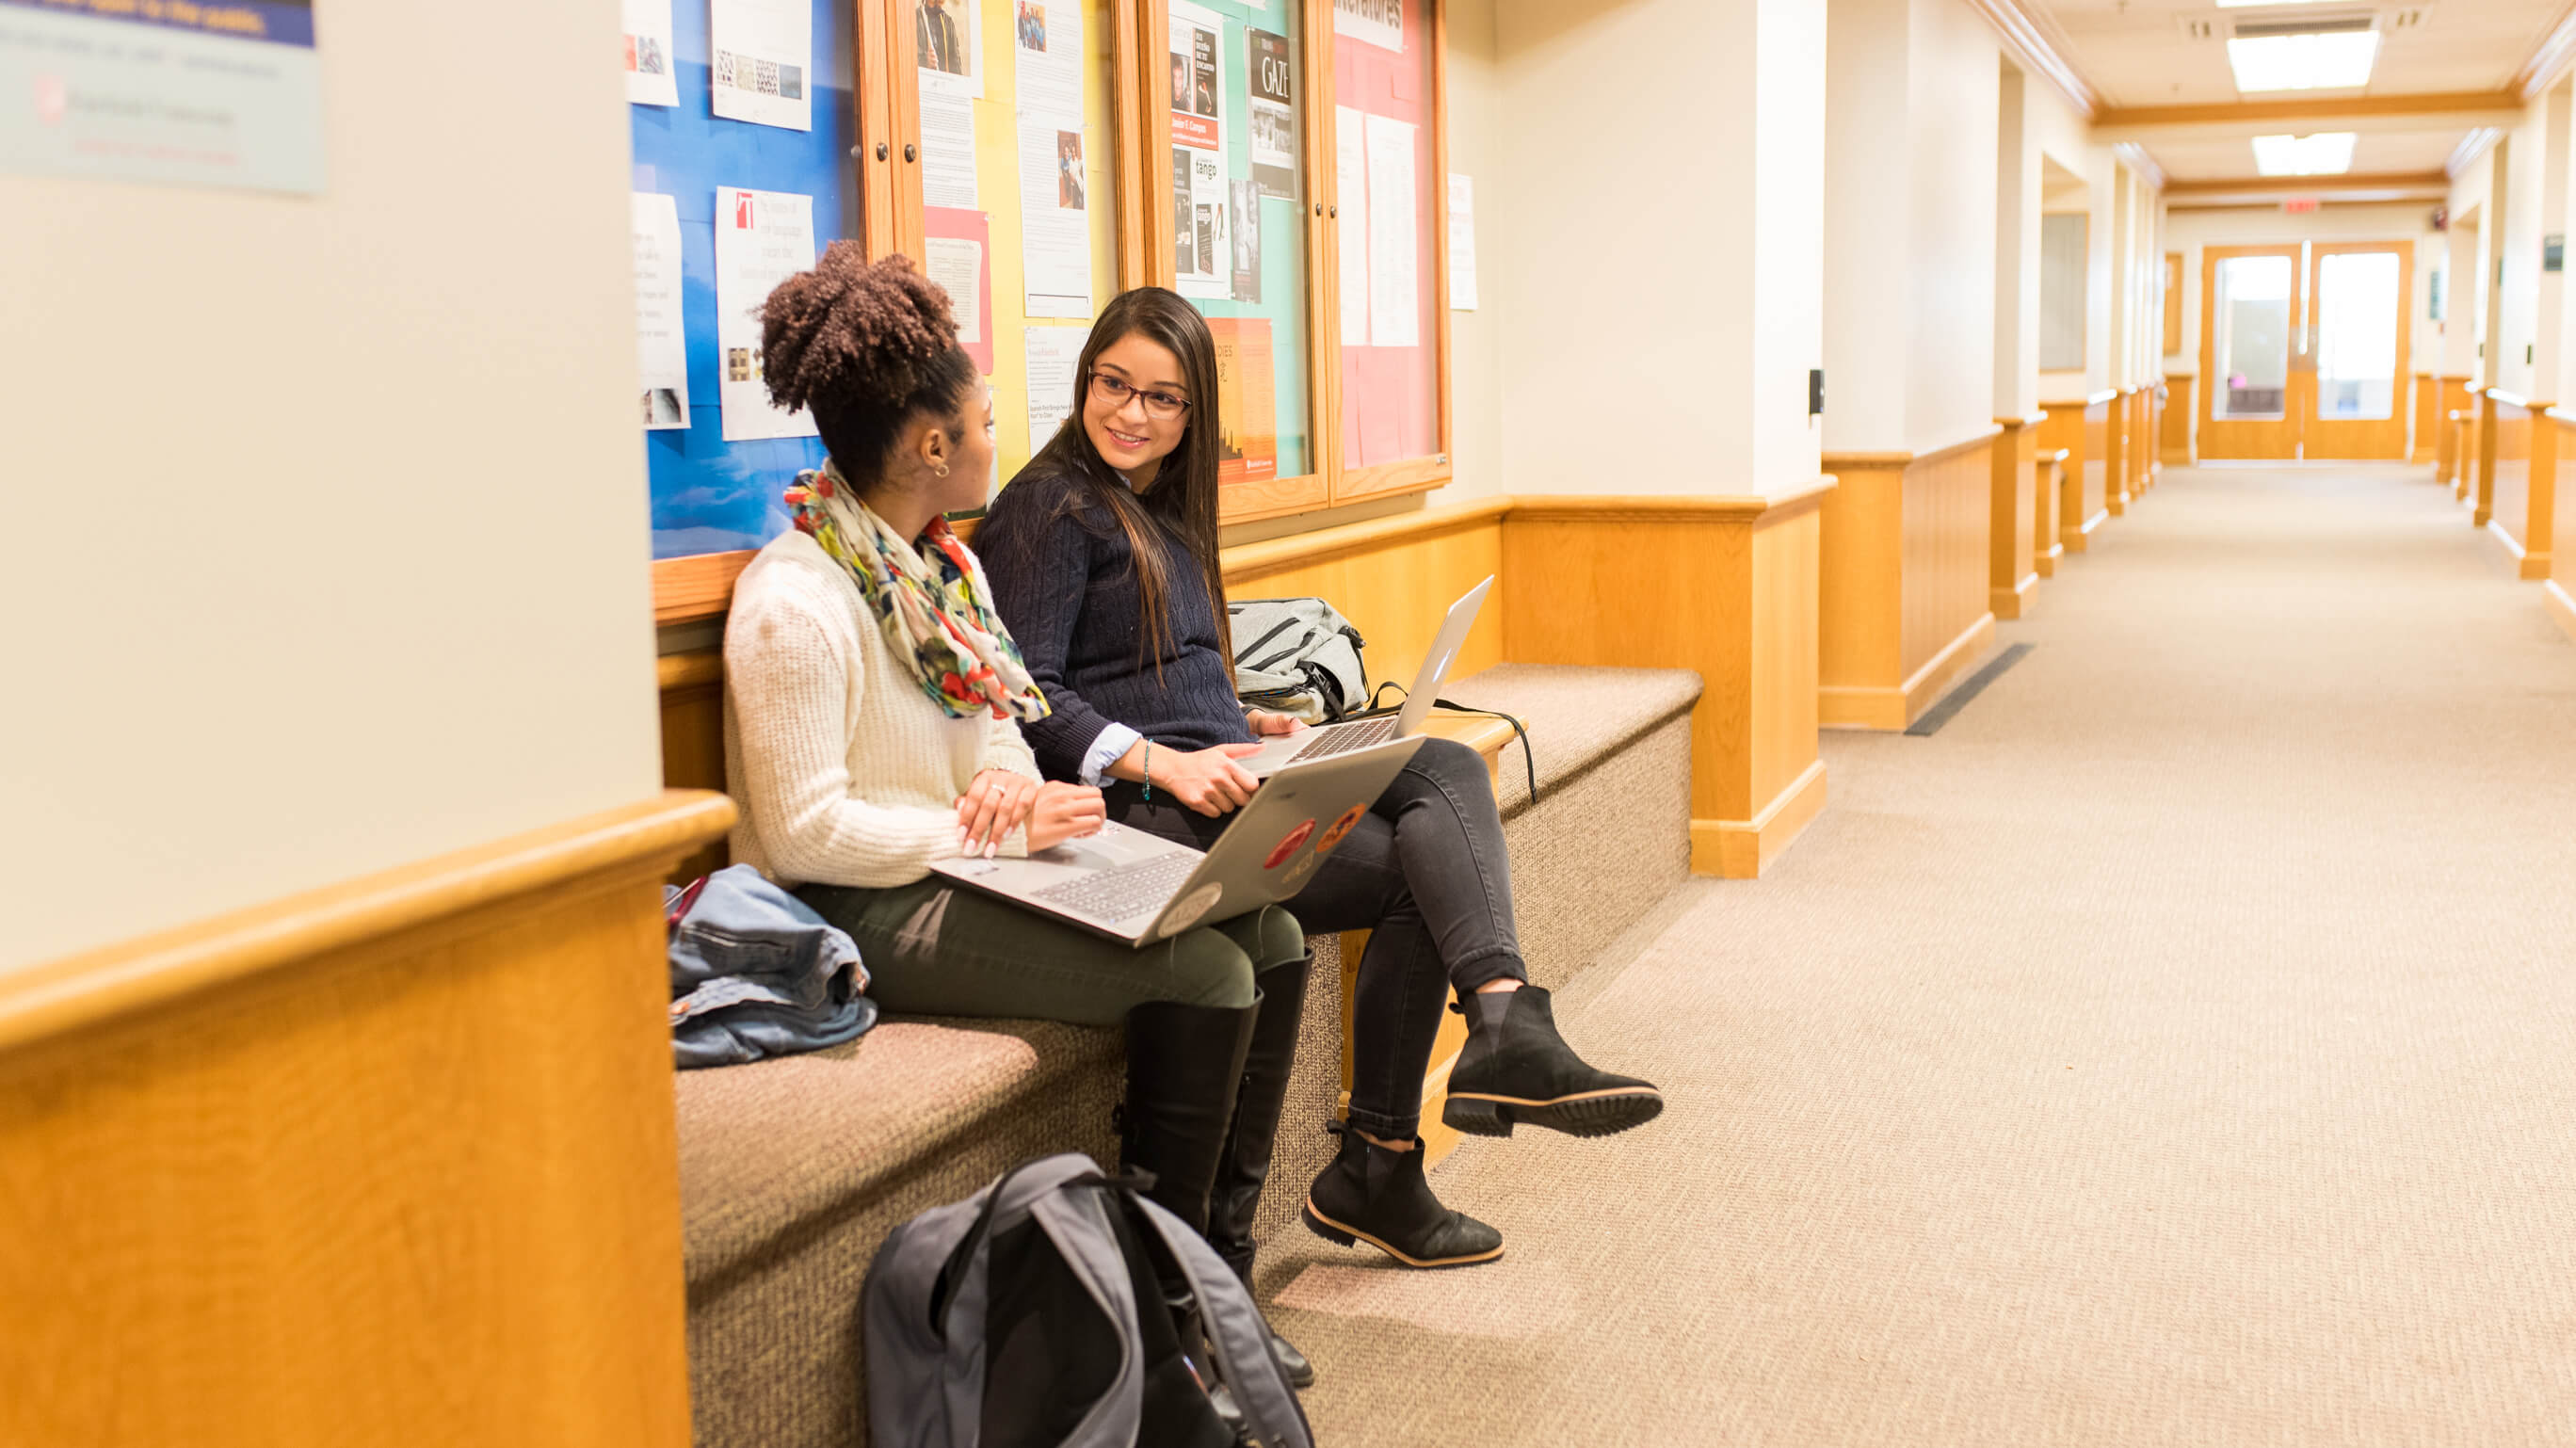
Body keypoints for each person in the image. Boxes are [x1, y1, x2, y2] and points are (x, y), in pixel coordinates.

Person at [976, 287, 1664, 1276]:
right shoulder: (1051, 503)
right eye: (1113, 384)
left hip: (1225, 769)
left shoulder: (1160, 504)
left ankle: (1489, 1032)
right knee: (1425, 868)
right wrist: (1160, 753)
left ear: (1193, 413)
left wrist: (1238, 717)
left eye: (1162, 398)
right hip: (1155, 812)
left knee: (1443, 765)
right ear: (1086, 379)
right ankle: (1405, 1137)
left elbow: (1148, 662)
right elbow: (1028, 696)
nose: (1130, 412)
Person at [721, 248, 1318, 1384]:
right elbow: (802, 835)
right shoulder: (794, 598)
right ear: (934, 447)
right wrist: (977, 828)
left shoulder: (945, 571)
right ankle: (1160, 1306)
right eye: (987, 417)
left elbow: (1001, 724)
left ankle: (1215, 1269)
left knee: (1272, 933)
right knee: (1204, 972)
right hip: (858, 909)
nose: (1004, 434)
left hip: (968, 864)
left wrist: (1018, 786)